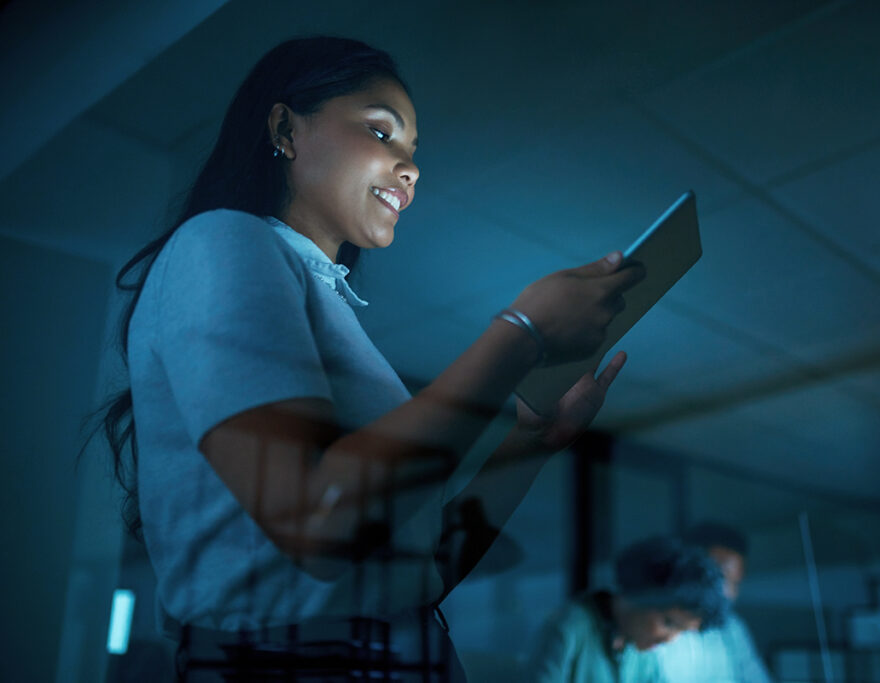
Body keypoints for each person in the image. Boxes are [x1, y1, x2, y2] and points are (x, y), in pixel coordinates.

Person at [98, 36, 644, 679]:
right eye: (382, 133)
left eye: (413, 152)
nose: (410, 167)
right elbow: (319, 523)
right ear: (284, 128)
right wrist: (521, 331)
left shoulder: (321, 301)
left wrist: (531, 441)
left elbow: (421, 573)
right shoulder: (221, 239)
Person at [524, 536, 728, 683]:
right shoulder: (568, 630)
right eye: (669, 623)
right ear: (637, 593)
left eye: (682, 631)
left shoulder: (643, 650)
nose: (670, 639)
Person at [656, 522, 773, 683]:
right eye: (721, 580)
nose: (730, 594)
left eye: (736, 583)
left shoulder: (732, 628)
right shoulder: (656, 630)